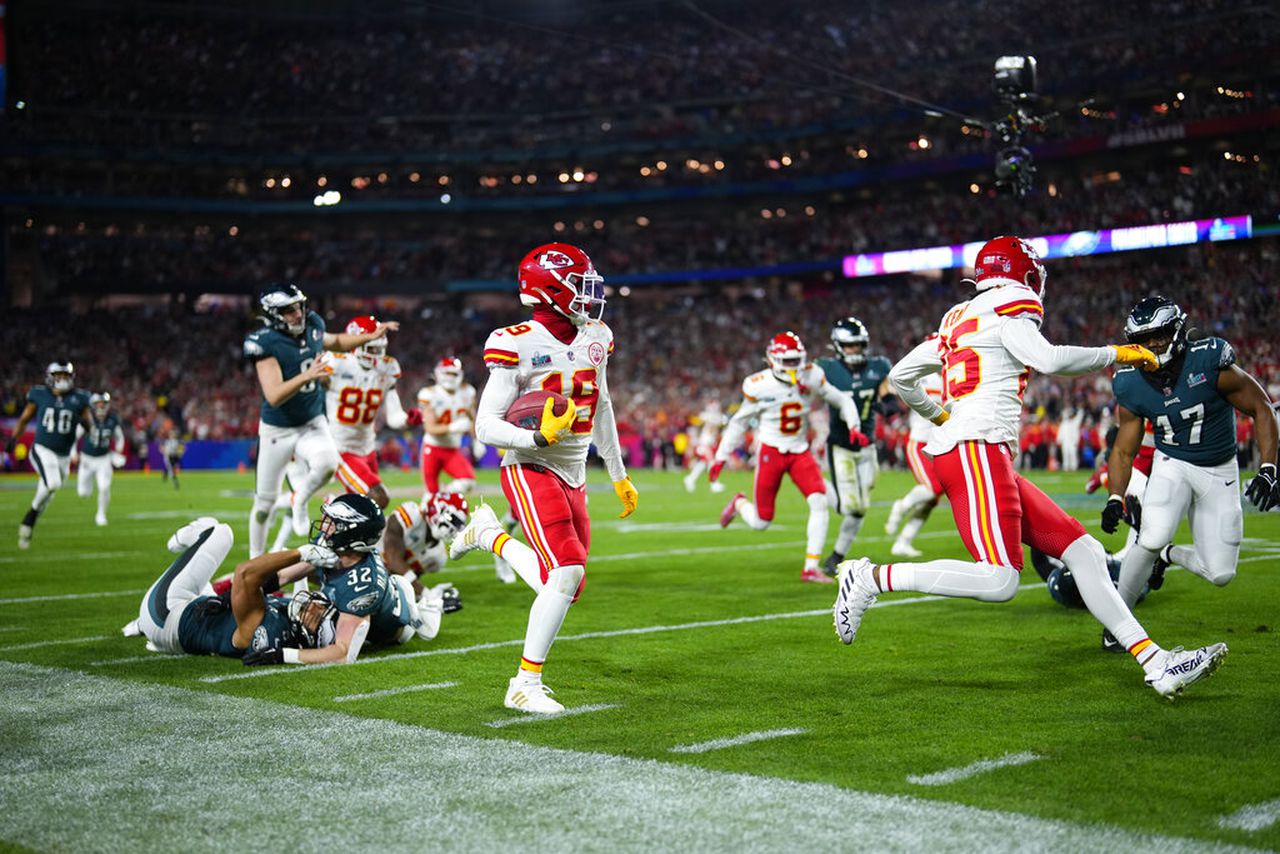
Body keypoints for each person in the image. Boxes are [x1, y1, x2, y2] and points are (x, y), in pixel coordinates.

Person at [839, 235, 1228, 700]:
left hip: (974, 445)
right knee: (1000, 578)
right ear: (1023, 272)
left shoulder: (958, 317)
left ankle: (1155, 661)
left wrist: (942, 415)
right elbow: (1046, 359)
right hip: (975, 446)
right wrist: (1119, 353)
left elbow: (902, 376)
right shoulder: (1013, 302)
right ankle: (869, 577)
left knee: (1082, 552)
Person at [447, 242, 638, 714]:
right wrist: (534, 440)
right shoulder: (515, 341)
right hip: (529, 465)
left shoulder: (597, 335)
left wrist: (617, 472)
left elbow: (604, 405)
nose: (589, 295)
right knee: (567, 571)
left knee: (567, 586)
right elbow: (485, 425)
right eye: (580, 285)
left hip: (573, 471)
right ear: (550, 289)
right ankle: (523, 684)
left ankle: (489, 535)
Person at [1101, 296, 1279, 648]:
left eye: (1160, 335)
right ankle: (1118, 624)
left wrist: (1269, 468)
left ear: (1177, 331)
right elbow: (1124, 448)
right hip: (1173, 464)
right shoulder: (1130, 383)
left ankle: (1167, 556)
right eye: (1145, 338)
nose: (1152, 345)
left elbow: (1261, 407)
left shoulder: (1210, 360)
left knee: (1221, 574)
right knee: (1150, 536)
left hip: (1220, 468)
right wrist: (1115, 497)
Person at [242, 284, 397, 558]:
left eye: (299, 306)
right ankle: (255, 559)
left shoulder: (312, 325)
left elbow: (336, 342)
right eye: (289, 310)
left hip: (312, 421)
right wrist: (308, 375)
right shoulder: (264, 342)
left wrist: (371, 336)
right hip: (278, 428)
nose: (298, 314)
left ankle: (299, 499)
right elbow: (274, 395)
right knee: (264, 504)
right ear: (274, 314)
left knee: (327, 463)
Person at [711, 331, 863, 583]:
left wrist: (854, 425)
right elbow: (739, 422)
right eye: (788, 361)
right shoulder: (758, 384)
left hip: (799, 451)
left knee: (819, 502)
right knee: (761, 522)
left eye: (796, 360)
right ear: (772, 360)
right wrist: (721, 456)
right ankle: (739, 503)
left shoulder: (812, 375)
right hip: (771, 451)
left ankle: (810, 567)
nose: (794, 366)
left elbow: (842, 400)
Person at [259, 493, 445, 664]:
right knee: (293, 564)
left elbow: (343, 653)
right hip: (355, 593)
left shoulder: (363, 584)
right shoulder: (339, 546)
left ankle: (417, 613)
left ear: (351, 535)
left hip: (393, 630)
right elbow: (283, 575)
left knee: (317, 625)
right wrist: (246, 588)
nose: (324, 525)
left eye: (334, 523)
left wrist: (283, 654)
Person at [132, 516, 339, 662]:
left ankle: (182, 538)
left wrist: (301, 554)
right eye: (320, 607)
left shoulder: (268, 629)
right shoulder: (288, 632)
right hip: (195, 619)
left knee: (219, 532)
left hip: (167, 616)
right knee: (215, 594)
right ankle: (140, 626)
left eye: (316, 615)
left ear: (310, 635)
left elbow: (244, 574)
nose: (314, 606)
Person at [815, 317, 894, 574]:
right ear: (838, 346)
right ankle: (815, 484)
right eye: (850, 346)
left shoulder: (878, 365)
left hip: (867, 447)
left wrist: (888, 398)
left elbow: (885, 385)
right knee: (848, 506)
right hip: (841, 446)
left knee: (859, 508)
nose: (856, 350)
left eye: (859, 345)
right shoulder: (826, 368)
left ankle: (837, 556)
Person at [325, 315, 419, 510]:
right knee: (377, 497)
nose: (377, 354)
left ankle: (340, 528)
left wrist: (408, 420)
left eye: (380, 348)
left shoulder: (387, 367)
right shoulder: (337, 362)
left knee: (360, 506)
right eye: (372, 348)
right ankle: (330, 508)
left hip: (367, 448)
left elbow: (394, 417)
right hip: (341, 448)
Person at [6, 361, 93, 549]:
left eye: (65, 376)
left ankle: (30, 518)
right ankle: (30, 518)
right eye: (58, 376)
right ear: (50, 377)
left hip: (63, 457)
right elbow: (24, 419)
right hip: (42, 449)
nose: (62, 380)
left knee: (49, 492)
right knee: (52, 483)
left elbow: (90, 427)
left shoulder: (80, 398)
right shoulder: (39, 394)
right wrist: (13, 440)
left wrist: (83, 423)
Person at [883, 349, 946, 558]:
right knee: (933, 488)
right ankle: (901, 506)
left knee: (933, 499)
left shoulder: (952, 376)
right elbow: (892, 384)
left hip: (940, 444)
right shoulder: (923, 374)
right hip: (919, 441)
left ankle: (903, 542)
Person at [418, 357, 478, 495]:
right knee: (431, 493)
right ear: (438, 374)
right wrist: (453, 427)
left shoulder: (467, 392)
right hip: (432, 448)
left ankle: (444, 495)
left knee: (468, 482)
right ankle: (435, 501)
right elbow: (430, 428)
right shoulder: (429, 394)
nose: (450, 378)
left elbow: (471, 418)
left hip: (452, 449)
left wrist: (476, 440)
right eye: (447, 373)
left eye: (453, 374)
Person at [71, 392, 127, 526]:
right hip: (87, 459)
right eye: (98, 404)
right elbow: (74, 437)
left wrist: (119, 449)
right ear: (93, 406)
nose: (101, 407)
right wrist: (73, 453)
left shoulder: (113, 419)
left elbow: (120, 437)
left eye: (103, 404)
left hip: (104, 459)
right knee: (83, 493)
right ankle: (88, 487)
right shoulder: (87, 419)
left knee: (104, 487)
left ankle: (101, 515)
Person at [683, 399, 728, 493]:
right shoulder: (709, 417)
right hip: (705, 444)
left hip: (707, 443)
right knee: (711, 463)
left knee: (703, 464)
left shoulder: (713, 417)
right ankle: (713, 484)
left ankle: (690, 479)